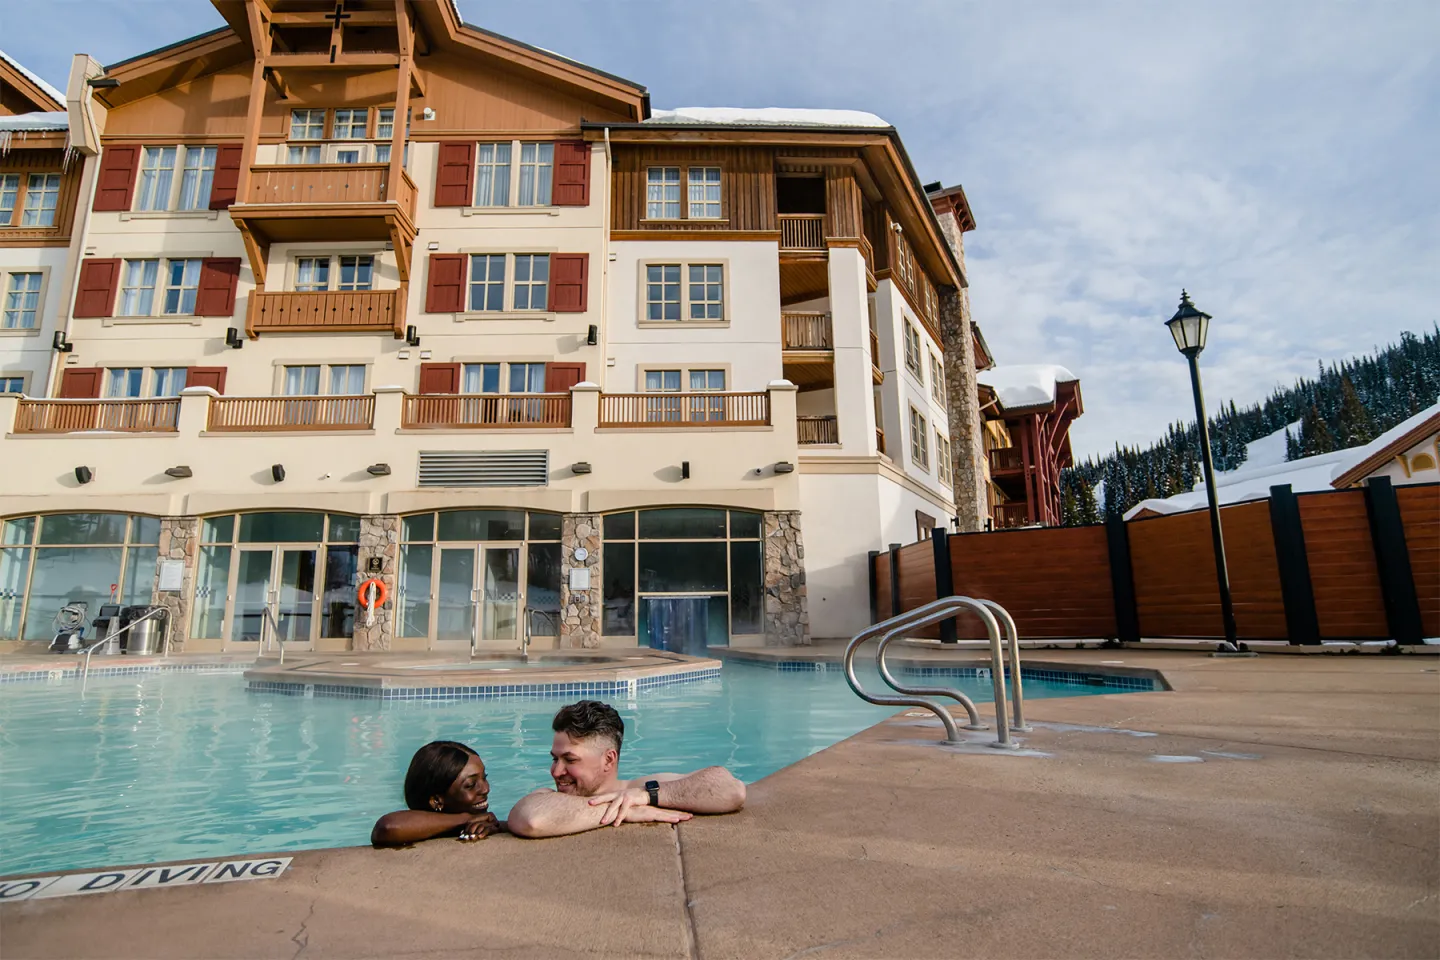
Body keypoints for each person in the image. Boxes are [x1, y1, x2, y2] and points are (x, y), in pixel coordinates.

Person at [507, 700, 745, 838]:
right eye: (555, 759)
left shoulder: (642, 789)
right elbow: (532, 819)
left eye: (570, 760)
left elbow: (731, 790)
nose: (556, 772)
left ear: (609, 760)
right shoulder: (550, 799)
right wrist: (621, 811)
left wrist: (646, 796)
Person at [371, 740, 502, 846]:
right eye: (470, 785)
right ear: (437, 801)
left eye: (484, 777)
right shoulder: (409, 827)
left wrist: (495, 827)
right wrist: (466, 819)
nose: (486, 789)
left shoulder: (486, 823)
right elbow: (387, 827)